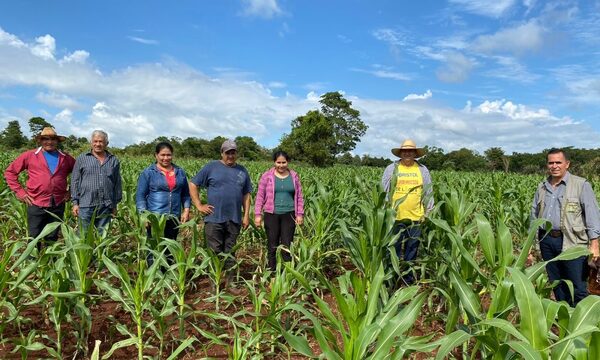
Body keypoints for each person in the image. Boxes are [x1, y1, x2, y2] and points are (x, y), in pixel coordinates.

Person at [530, 148, 600, 306]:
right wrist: (530, 244)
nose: (554, 166)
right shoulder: (542, 187)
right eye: (551, 162)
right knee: (557, 283)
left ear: (567, 164)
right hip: (547, 241)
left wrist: (595, 244)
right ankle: (564, 316)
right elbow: (534, 216)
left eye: (558, 162)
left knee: (578, 285)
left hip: (572, 242)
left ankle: (579, 321)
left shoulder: (581, 184)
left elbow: (592, 215)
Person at [189, 139, 252, 281]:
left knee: (230, 252)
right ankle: (215, 283)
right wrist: (199, 205)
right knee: (214, 252)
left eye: (233, 152)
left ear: (236, 154)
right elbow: (193, 184)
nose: (230, 156)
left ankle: (231, 283)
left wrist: (246, 215)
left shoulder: (242, 171)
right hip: (214, 218)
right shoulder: (211, 167)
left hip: (234, 218)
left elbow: (246, 194)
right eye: (227, 153)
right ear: (222, 153)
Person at [4, 127, 76, 248]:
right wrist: (20, 192)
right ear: (40, 141)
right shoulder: (29, 155)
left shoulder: (66, 158)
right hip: (36, 202)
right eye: (45, 139)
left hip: (58, 203)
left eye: (53, 139)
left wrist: (71, 191)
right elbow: (10, 172)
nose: (49, 142)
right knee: (34, 235)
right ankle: (33, 262)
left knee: (52, 236)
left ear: (57, 141)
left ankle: (51, 263)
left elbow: (80, 174)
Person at [381, 139, 434, 285]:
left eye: (410, 151)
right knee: (394, 250)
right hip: (395, 217)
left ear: (415, 153)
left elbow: (428, 192)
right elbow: (384, 191)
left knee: (412, 250)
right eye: (405, 151)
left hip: (416, 217)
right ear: (401, 152)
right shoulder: (392, 168)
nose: (407, 153)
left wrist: (428, 212)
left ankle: (408, 281)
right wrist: (385, 212)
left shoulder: (422, 170)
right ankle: (392, 279)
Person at [136, 142, 191, 263]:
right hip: (155, 217)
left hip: (174, 216)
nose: (166, 158)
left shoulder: (180, 172)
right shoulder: (148, 172)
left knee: (170, 246)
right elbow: (140, 196)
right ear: (156, 155)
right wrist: (144, 216)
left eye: (169, 155)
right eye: (162, 155)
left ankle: (167, 274)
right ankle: (154, 277)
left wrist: (186, 210)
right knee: (154, 248)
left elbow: (186, 194)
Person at [255, 150, 304, 271]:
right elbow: (260, 196)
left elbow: (299, 196)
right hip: (272, 214)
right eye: (278, 162)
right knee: (272, 245)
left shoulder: (294, 176)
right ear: (274, 162)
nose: (281, 165)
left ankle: (286, 273)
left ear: (288, 162)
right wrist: (257, 214)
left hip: (289, 214)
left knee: (287, 245)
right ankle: (272, 273)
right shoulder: (267, 176)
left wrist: (300, 214)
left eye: (284, 162)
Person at [71, 130, 122, 234]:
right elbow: (75, 180)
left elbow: (117, 183)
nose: (98, 144)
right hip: (86, 204)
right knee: (83, 235)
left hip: (106, 205)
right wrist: (75, 203)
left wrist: (115, 205)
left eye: (101, 141)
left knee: (103, 235)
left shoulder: (113, 160)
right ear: (91, 142)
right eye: (95, 141)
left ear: (106, 143)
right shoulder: (82, 158)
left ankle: (100, 251)